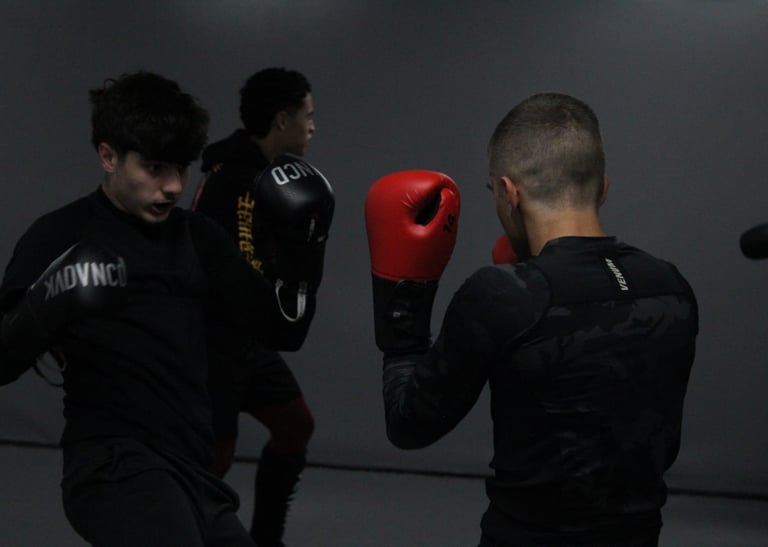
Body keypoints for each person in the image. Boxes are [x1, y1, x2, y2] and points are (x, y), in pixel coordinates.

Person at [0, 70, 327, 547]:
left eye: (180, 168)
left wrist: (304, 250)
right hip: (112, 468)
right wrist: (44, 304)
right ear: (108, 156)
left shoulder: (198, 238)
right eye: (154, 168)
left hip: (192, 472)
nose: (173, 187)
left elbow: (283, 332)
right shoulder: (60, 235)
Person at [364, 92, 698, 546]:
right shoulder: (671, 285)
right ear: (602, 188)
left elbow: (408, 425)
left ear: (508, 193)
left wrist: (402, 309)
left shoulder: (505, 295)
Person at [191, 67, 332, 547]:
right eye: (307, 116)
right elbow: (240, 272)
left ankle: (266, 539)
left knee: (295, 425)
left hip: (247, 339)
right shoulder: (235, 181)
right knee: (215, 458)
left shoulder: (273, 176)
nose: (313, 126)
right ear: (281, 120)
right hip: (216, 341)